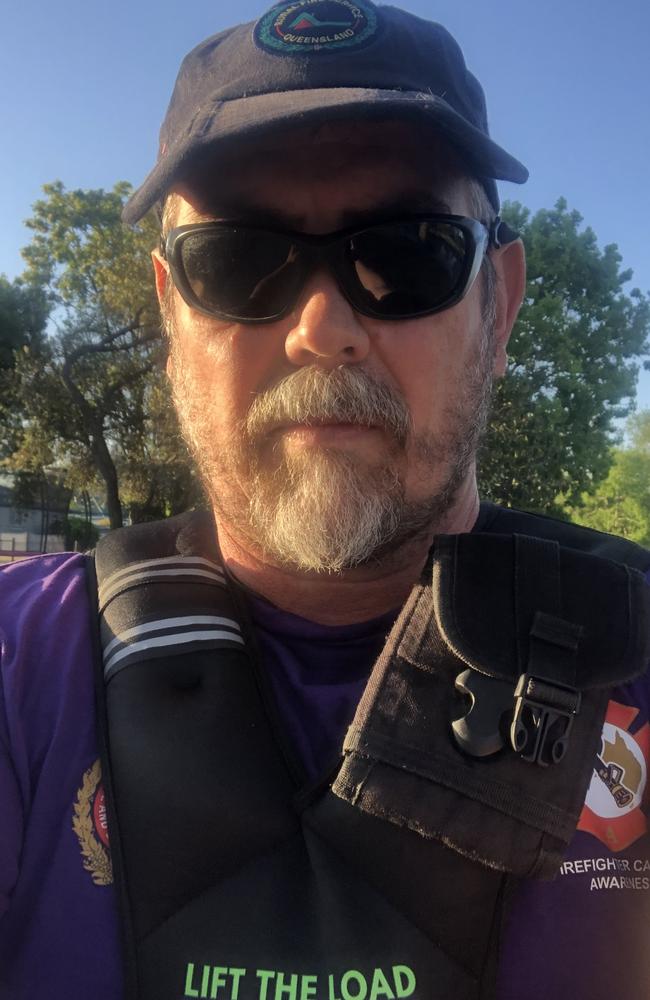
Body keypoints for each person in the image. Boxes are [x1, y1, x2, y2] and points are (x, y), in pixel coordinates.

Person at [1, 3, 649, 999]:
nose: (319, 327)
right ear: (171, 310)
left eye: (409, 249)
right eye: (234, 260)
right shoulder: (19, 669)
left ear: (499, 303)